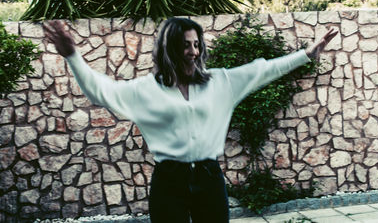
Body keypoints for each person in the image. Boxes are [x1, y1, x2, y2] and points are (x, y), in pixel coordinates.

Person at [44, 18, 337, 223]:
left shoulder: (220, 82)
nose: (194, 52)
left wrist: (306, 55)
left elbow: (262, 70)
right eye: (186, 45)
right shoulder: (144, 90)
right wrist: (72, 55)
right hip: (169, 181)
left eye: (197, 45)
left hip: (209, 179)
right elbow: (100, 91)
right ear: (170, 48)